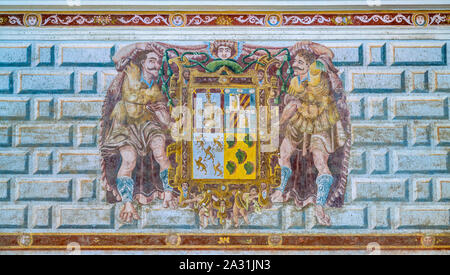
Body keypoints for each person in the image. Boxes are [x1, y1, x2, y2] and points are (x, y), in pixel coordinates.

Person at [100, 42, 178, 224]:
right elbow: (117, 58)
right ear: (142, 63)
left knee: (161, 153)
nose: (156, 65)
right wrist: (140, 45)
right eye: (151, 61)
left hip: (149, 124)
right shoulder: (131, 71)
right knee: (128, 160)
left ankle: (168, 191)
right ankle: (127, 202)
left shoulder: (161, 85)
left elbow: (166, 121)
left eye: (158, 62)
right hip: (125, 123)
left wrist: (161, 112)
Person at [272, 48, 348, 226]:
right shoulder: (295, 80)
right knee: (283, 154)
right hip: (300, 119)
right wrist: (292, 101)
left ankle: (320, 206)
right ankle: (280, 190)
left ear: (309, 65)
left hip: (320, 122)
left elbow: (316, 107)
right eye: (295, 62)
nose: (294, 65)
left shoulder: (317, 77)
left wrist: (296, 103)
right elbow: (291, 98)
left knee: (320, 162)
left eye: (299, 63)